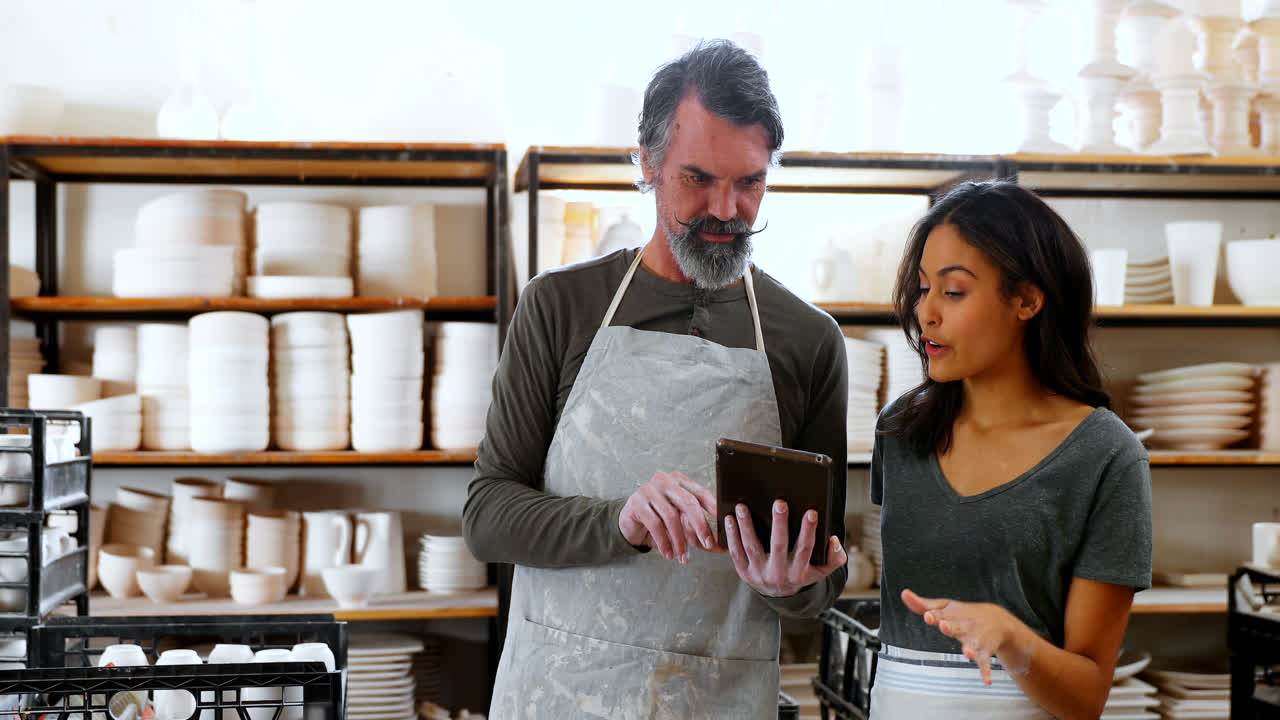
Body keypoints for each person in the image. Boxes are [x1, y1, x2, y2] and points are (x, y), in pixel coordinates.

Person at [463, 39, 849, 718]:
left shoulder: (809, 341)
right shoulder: (560, 306)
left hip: (717, 699)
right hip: (558, 695)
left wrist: (792, 583)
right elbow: (489, 515)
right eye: (698, 179)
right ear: (646, 164)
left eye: (750, 182)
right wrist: (620, 521)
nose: (728, 210)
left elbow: (822, 572)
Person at [868, 180, 1153, 720]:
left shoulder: (1106, 456)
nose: (926, 312)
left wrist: (1011, 637)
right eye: (922, 288)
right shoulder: (900, 432)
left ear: (1027, 298)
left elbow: (1086, 697)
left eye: (953, 292)